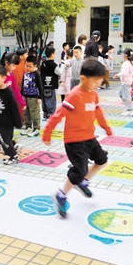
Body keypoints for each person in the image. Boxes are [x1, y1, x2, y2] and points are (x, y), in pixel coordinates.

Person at [43, 59, 113, 218]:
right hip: (74, 141)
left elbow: (98, 112)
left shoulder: (94, 94)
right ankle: (61, 195)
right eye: (95, 81)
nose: (97, 85)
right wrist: (47, 132)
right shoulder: (75, 95)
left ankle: (83, 181)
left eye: (100, 82)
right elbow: (58, 114)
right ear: (83, 78)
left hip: (89, 137)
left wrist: (106, 127)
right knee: (79, 170)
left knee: (102, 160)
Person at [21, 55, 43, 137]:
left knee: (34, 112)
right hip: (25, 96)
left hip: (34, 97)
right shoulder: (25, 74)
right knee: (26, 112)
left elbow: (40, 86)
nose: (28, 68)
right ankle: (28, 126)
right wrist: (21, 96)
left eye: (30, 66)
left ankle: (36, 128)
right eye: (26, 66)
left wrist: (40, 97)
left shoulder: (36, 75)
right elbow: (23, 85)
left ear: (35, 66)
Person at [113, 48, 133, 116]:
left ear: (125, 55)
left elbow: (124, 72)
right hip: (129, 81)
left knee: (126, 96)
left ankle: (130, 109)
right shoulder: (132, 63)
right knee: (121, 94)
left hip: (126, 82)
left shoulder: (126, 63)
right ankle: (129, 108)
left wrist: (118, 75)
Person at [40, 46, 61, 119]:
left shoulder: (43, 64)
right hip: (51, 85)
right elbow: (59, 72)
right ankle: (51, 115)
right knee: (51, 100)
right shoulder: (53, 65)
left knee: (44, 100)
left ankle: (45, 114)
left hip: (43, 85)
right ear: (52, 54)